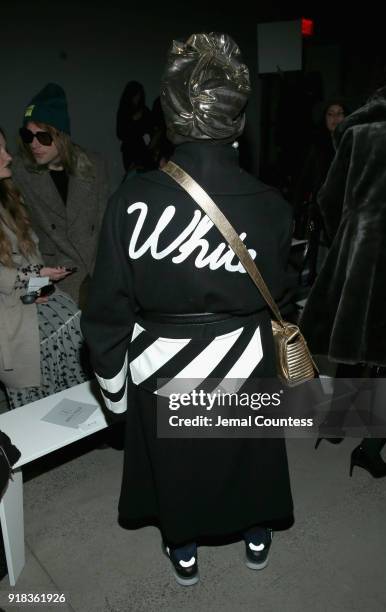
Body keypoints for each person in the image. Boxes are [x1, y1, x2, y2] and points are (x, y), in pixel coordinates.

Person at [81, 32, 294, 586]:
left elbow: (106, 309)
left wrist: (114, 394)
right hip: (248, 360)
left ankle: (185, 547)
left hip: (161, 363)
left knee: (180, 460)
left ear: (170, 118)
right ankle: (255, 534)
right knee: (248, 451)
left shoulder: (132, 199)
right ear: (238, 120)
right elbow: (286, 292)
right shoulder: (273, 206)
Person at [300, 57, 386, 477]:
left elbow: (327, 198)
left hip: (359, 256)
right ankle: (370, 449)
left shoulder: (355, 128)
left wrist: (349, 234)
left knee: (354, 340)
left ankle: (333, 424)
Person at [0, 128, 89, 409]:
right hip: (7, 311)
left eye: (5, 148)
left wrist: (42, 279)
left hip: (24, 294)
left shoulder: (9, 195)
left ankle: (77, 415)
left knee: (73, 320)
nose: (8, 157)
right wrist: (34, 277)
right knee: (54, 337)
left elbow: (30, 256)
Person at [12, 83, 110, 307]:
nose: (34, 144)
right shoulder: (20, 173)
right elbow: (23, 241)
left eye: (43, 137)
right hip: (51, 278)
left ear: (61, 135)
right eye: (28, 135)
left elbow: (105, 227)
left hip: (97, 277)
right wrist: (34, 289)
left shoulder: (95, 166)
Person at [293, 99, 349, 284]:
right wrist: (297, 210)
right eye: (330, 114)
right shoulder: (316, 145)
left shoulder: (353, 144)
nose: (335, 118)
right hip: (318, 213)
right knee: (316, 251)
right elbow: (304, 181)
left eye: (340, 113)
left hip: (346, 211)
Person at [116, 81, 155, 173]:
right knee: (133, 177)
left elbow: (152, 130)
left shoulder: (144, 110)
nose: (137, 98)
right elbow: (120, 133)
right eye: (135, 95)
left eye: (139, 95)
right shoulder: (124, 111)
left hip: (144, 150)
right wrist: (132, 120)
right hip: (130, 151)